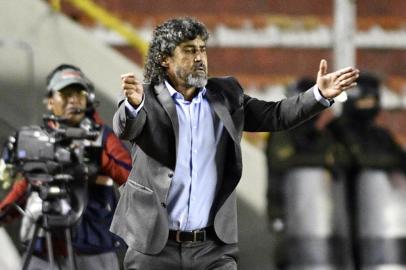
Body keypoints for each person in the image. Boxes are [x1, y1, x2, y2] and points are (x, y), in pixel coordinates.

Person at [110, 17, 359, 270]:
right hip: (154, 247)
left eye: (202, 50)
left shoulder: (226, 95)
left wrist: (318, 95)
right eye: (188, 50)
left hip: (211, 249)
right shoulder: (144, 97)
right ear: (165, 59)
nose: (199, 58)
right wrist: (134, 105)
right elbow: (126, 127)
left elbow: (276, 115)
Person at [0, 64, 132, 270]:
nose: (73, 100)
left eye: (79, 93)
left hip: (92, 246)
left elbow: (131, 179)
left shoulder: (102, 137)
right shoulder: (38, 139)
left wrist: (99, 162)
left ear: (87, 98)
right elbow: (24, 186)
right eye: (65, 93)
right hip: (43, 245)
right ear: (50, 101)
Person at [265, 78, 350, 269]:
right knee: (289, 257)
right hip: (286, 211)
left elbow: (339, 160)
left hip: (320, 216)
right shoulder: (281, 132)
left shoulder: (322, 137)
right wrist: (322, 161)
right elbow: (283, 161)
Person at [327, 73, 406, 270]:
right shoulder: (337, 130)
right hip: (346, 211)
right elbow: (359, 159)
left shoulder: (379, 134)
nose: (371, 104)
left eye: (374, 98)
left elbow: (400, 160)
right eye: (367, 98)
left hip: (379, 218)